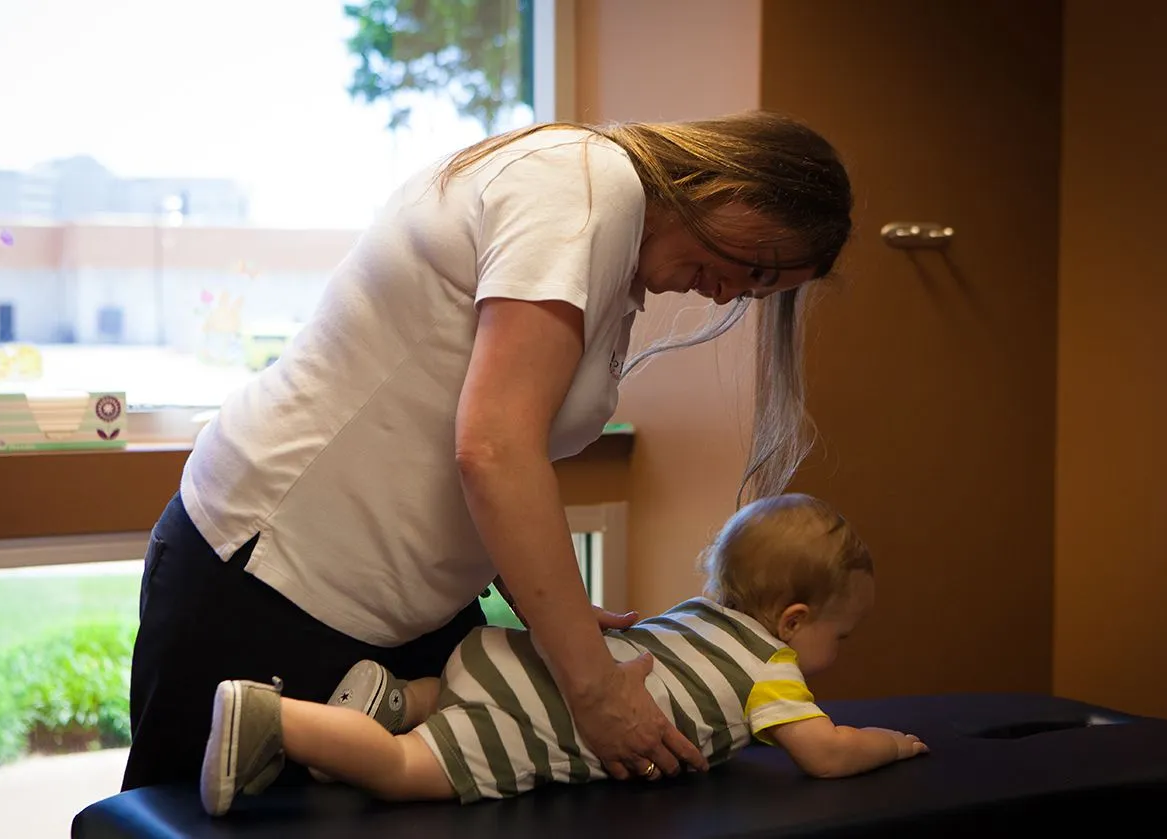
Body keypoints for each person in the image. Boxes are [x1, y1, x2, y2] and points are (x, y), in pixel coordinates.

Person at [124, 109, 855, 792]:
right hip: (269, 578)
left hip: (407, 616)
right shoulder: (585, 187)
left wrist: (556, 611)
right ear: (736, 182)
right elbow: (495, 450)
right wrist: (591, 685)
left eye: (761, 293)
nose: (735, 296)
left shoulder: (609, 247)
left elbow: (482, 440)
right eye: (760, 266)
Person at [199, 494, 927, 814]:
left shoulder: (697, 612)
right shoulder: (772, 669)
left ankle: (400, 698)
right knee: (400, 771)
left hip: (504, 657)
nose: (839, 651)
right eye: (841, 635)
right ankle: (272, 718)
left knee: (439, 699)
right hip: (543, 718)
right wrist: (890, 745)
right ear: (795, 620)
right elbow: (825, 752)